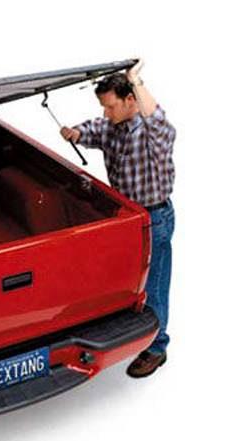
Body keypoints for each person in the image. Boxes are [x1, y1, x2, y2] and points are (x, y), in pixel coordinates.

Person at [60, 60, 176, 378]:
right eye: (104, 106)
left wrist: (134, 79)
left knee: (154, 286)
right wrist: (75, 133)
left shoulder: (153, 134)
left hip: (154, 219)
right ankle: (126, 329)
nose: (106, 112)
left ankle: (157, 348)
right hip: (124, 219)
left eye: (111, 106)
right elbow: (92, 128)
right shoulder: (112, 125)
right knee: (122, 279)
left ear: (130, 100)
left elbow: (158, 119)